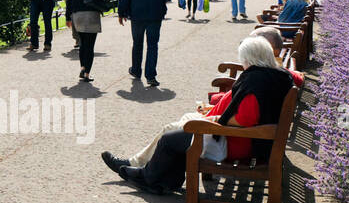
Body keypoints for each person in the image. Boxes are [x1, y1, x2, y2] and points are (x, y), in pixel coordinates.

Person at [102, 37, 300, 194]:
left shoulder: (257, 81)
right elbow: (297, 77)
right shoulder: (277, 75)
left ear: (250, 59)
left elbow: (244, 119)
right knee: (179, 130)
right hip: (247, 139)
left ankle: (148, 177)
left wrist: (214, 120)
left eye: (244, 60)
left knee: (170, 137)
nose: (243, 64)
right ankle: (164, 180)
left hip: (237, 142)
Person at [117, 0, 172, 87]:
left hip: (137, 13)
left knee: (137, 43)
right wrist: (161, 1)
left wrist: (121, 11)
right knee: (153, 45)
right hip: (155, 13)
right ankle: (151, 75)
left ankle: (136, 70)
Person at [66, 0, 108, 82]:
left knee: (83, 44)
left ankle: (83, 67)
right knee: (90, 45)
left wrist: (68, 17)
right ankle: (87, 73)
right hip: (92, 14)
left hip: (77, 15)